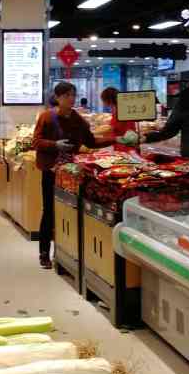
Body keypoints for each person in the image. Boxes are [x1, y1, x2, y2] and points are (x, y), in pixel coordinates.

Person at [33, 81, 96, 270]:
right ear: (58, 97)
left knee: (70, 210)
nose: (71, 99)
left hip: (71, 173)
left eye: (73, 95)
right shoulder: (47, 117)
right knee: (49, 211)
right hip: (51, 171)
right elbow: (36, 141)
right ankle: (44, 253)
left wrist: (117, 139)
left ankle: (68, 252)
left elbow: (91, 141)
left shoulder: (77, 118)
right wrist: (55, 145)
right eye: (67, 95)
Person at [99, 87, 138, 151]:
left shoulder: (120, 110)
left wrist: (97, 133)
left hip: (124, 143)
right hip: (125, 141)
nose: (103, 103)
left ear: (108, 99)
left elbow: (113, 128)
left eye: (103, 100)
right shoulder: (120, 108)